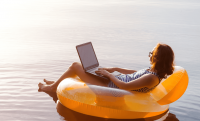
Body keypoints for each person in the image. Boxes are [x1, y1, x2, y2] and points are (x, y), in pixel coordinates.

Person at [38, 43, 174, 93]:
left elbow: (125, 87)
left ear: (157, 58)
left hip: (111, 85)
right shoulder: (153, 72)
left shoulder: (152, 78)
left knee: (75, 66)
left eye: (151, 54)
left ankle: (51, 88)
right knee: (87, 68)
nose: (149, 56)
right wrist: (114, 69)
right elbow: (134, 73)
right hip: (113, 79)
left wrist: (108, 75)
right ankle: (57, 83)